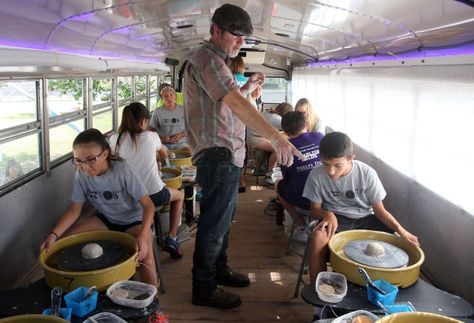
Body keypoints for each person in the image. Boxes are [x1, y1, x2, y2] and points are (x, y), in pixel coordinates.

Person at [183, 3, 301, 309]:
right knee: (213, 224)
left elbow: (223, 105)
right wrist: (277, 138)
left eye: (244, 38)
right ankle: (204, 287)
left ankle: (218, 269)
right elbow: (233, 103)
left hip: (228, 155)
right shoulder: (207, 59)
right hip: (217, 155)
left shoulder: (219, 61)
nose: (241, 43)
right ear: (216, 31)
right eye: (236, 36)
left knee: (222, 222)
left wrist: (246, 89)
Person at [40, 128, 158, 286]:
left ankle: (153, 306)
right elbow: (75, 209)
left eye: (90, 159)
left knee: (145, 258)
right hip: (107, 219)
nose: (84, 167)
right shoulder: (81, 175)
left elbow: (149, 206)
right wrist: (54, 235)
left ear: (105, 154)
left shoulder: (122, 170)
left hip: (133, 221)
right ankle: (88, 289)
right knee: (64, 243)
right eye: (78, 161)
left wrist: (143, 236)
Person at [302, 131, 420, 284]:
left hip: (365, 219)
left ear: (351, 159)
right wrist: (327, 214)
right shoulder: (316, 175)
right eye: (326, 164)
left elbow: (380, 211)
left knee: (400, 244)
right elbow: (314, 208)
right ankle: (320, 290)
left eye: (338, 165)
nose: (331, 171)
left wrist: (401, 231)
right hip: (337, 219)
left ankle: (382, 290)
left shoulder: (367, 173)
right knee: (317, 237)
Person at [109, 102, 184, 259]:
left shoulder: (115, 139)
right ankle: (172, 237)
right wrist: (162, 163)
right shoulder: (152, 136)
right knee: (179, 196)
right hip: (153, 195)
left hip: (125, 197)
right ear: (143, 121)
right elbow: (165, 154)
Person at [275, 111, 324, 241]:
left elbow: (288, 178)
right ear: (307, 124)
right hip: (328, 200)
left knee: (278, 185)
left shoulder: (284, 149)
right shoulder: (320, 137)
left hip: (304, 202)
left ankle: (302, 226)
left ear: (285, 131)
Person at [247, 102, 293, 184]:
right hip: (254, 138)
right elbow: (290, 130)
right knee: (277, 149)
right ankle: (269, 176)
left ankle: (259, 168)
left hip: (254, 136)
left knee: (272, 144)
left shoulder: (268, 113)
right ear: (286, 112)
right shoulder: (278, 119)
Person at [150, 84, 190, 152]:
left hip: (180, 143)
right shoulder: (157, 112)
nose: (169, 98)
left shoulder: (184, 109)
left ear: (175, 97)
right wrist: (161, 138)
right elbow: (151, 130)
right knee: (160, 156)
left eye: (171, 95)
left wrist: (181, 135)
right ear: (162, 99)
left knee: (190, 153)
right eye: (165, 96)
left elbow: (191, 129)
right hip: (162, 144)